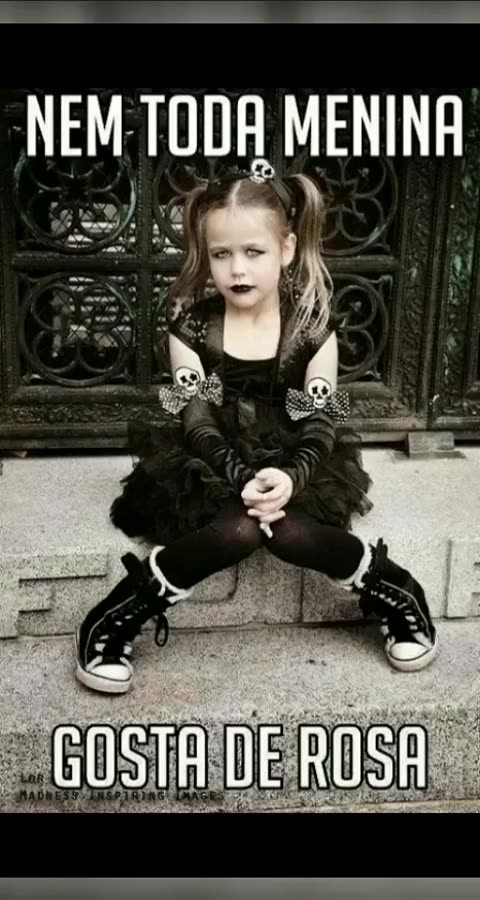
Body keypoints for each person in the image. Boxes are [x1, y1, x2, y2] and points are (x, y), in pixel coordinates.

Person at [75, 158, 438, 694]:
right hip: (210, 456)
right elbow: (196, 418)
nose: (237, 270)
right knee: (240, 530)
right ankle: (113, 615)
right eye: (221, 254)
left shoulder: (313, 327)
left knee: (288, 532)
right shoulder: (191, 326)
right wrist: (242, 476)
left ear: (286, 248)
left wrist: (291, 476)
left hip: (296, 453)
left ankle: (398, 590)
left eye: (253, 252)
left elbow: (321, 417)